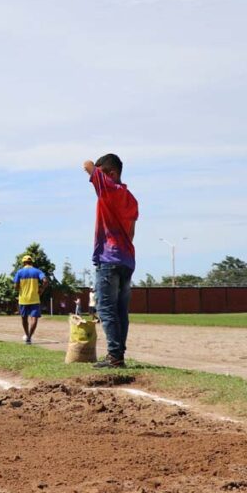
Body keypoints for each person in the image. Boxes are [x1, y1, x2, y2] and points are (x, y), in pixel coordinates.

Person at [84, 154, 139, 369]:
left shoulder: (109, 189)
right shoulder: (131, 199)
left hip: (109, 258)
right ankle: (119, 354)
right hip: (127, 259)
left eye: (103, 174)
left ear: (112, 174)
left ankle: (114, 356)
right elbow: (132, 233)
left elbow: (87, 165)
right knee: (120, 311)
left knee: (106, 309)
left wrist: (97, 169)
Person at [13, 255, 48, 344]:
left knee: (24, 319)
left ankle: (27, 334)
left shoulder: (19, 272)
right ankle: (29, 337)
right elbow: (45, 281)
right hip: (35, 299)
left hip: (23, 299)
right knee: (34, 319)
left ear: (24, 263)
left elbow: (15, 286)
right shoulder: (37, 271)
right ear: (31, 262)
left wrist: (19, 289)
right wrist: (41, 290)